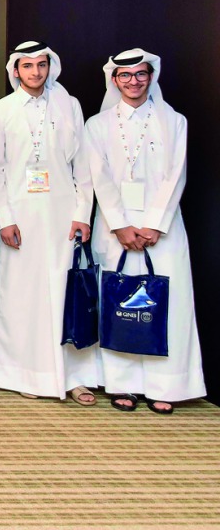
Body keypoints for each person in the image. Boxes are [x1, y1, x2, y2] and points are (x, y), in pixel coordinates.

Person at [84, 49, 205, 414]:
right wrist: (121, 225)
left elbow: (176, 174)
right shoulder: (97, 125)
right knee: (118, 301)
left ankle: (164, 385)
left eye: (140, 74)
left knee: (166, 303)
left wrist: (153, 223)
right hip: (114, 229)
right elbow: (99, 176)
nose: (133, 81)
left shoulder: (174, 121)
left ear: (151, 77)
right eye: (125, 75)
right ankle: (122, 384)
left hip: (162, 229)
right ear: (114, 80)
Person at [0, 42, 99, 405]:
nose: (35, 72)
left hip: (63, 214)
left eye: (41, 65)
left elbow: (83, 165)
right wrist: (4, 219)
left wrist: (83, 213)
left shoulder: (69, 105)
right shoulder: (0, 110)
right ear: (15, 71)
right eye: (28, 66)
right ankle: (27, 374)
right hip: (21, 218)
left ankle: (74, 377)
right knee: (24, 297)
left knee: (67, 293)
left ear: (51, 68)